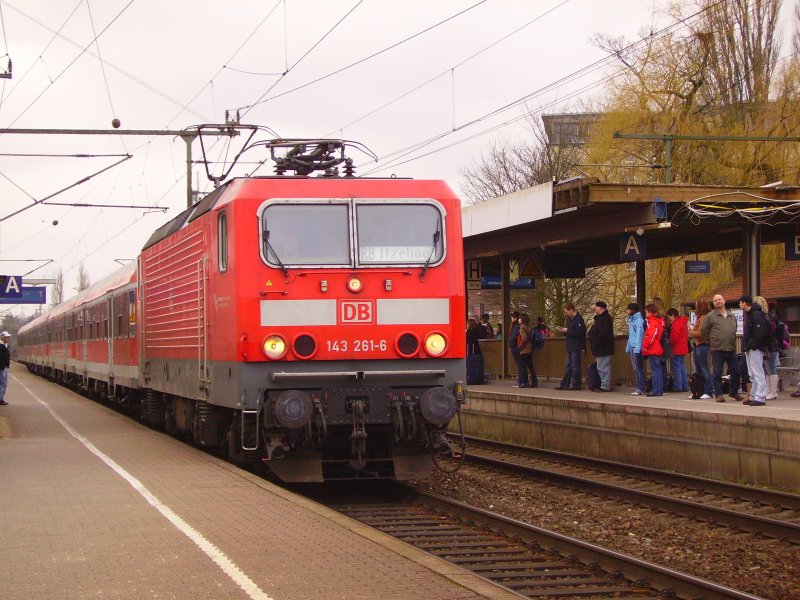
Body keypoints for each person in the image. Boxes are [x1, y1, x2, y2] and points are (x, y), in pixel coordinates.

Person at [700, 294, 743, 403]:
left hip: (731, 348)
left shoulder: (732, 316)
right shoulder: (710, 316)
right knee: (717, 372)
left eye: (719, 300)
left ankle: (734, 392)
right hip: (717, 349)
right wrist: (711, 341)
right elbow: (704, 331)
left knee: (735, 371)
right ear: (713, 303)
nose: (718, 302)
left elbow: (734, 328)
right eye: (715, 301)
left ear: (724, 301)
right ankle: (719, 394)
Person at [740, 295, 770, 406]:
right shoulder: (752, 314)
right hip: (750, 347)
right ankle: (753, 395)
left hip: (755, 348)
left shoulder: (756, 315)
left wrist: (753, 345)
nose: (739, 304)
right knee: (751, 373)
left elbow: (760, 332)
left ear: (744, 303)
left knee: (758, 373)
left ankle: (760, 397)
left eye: (740, 302)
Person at [555, 303, 586, 390]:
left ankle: (576, 385)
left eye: (566, 312)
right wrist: (564, 331)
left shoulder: (579, 319)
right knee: (568, 366)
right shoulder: (571, 320)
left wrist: (567, 330)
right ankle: (565, 384)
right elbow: (572, 332)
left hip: (576, 346)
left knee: (575, 366)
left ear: (571, 310)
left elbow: (579, 333)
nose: (566, 314)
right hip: (570, 345)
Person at [688, 298, 714, 399]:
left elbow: (701, 332)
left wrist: (690, 331)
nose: (695, 307)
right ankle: (698, 390)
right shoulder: (700, 317)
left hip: (702, 345)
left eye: (696, 305)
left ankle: (708, 390)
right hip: (698, 345)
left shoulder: (703, 317)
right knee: (699, 369)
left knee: (704, 369)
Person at [588, 301, 614, 392]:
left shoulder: (605, 319)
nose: (595, 309)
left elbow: (603, 334)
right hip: (600, 347)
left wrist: (596, 342)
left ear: (601, 308)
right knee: (601, 366)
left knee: (603, 367)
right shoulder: (601, 318)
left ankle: (605, 385)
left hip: (602, 347)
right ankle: (603, 384)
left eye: (596, 307)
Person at [642, 304, 665, 397]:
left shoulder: (652, 322)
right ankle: (659, 389)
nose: (645, 314)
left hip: (653, 349)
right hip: (657, 348)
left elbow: (650, 336)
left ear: (650, 312)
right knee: (658, 370)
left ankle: (656, 390)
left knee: (655, 371)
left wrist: (644, 346)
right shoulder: (658, 321)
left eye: (646, 312)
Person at [762, 298, 781, 400]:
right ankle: (769, 391)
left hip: (771, 346)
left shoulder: (769, 317)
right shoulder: (773, 315)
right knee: (768, 369)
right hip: (771, 346)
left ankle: (773, 391)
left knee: (771, 368)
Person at [667, 308, 689, 393]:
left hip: (676, 348)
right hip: (683, 347)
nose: (669, 319)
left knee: (676, 368)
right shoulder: (683, 323)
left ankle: (678, 386)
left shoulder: (676, 324)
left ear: (673, 315)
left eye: (669, 317)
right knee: (681, 367)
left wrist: (670, 341)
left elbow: (674, 337)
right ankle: (685, 385)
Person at [626, 303, 646, 396]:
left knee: (638, 369)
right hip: (632, 347)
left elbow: (639, 335)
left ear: (633, 310)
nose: (627, 311)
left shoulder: (639, 321)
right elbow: (631, 335)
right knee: (635, 369)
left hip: (637, 348)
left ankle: (640, 388)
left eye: (628, 309)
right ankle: (639, 387)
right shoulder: (632, 320)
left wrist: (638, 348)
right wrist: (628, 347)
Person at [517, 314, 538, 387]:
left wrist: (520, 347)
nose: (518, 320)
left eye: (519, 319)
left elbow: (524, 338)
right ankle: (535, 382)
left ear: (522, 319)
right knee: (531, 366)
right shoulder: (529, 326)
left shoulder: (522, 327)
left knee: (523, 366)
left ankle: (524, 382)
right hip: (530, 348)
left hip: (524, 349)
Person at [508, 311, 524, 387]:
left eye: (512, 318)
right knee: (520, 364)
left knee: (519, 364)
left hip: (516, 347)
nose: (511, 319)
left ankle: (520, 381)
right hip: (517, 346)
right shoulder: (517, 325)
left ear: (515, 318)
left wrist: (511, 344)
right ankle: (521, 381)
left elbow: (514, 336)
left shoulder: (516, 326)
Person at [0, 331, 10, 406]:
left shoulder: (4, 345)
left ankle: (1, 398)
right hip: (2, 367)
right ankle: (0, 399)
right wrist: (2, 365)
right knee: (2, 383)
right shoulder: (1, 346)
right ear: (3, 338)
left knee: (4, 383)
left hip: (4, 367)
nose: (8, 338)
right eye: (7, 337)